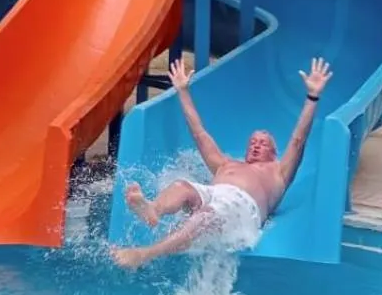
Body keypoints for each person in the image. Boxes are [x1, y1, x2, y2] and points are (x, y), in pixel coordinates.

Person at [111, 56, 334, 270]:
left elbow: (298, 140)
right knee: (181, 186)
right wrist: (182, 91)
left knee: (205, 215)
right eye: (253, 141)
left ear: (275, 152)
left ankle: (145, 254)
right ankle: (153, 209)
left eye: (263, 143)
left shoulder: (278, 173)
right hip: (214, 193)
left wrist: (312, 97)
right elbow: (199, 134)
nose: (256, 145)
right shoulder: (226, 164)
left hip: (242, 208)